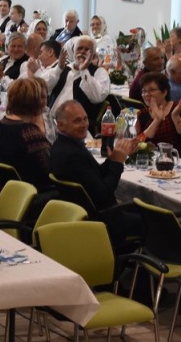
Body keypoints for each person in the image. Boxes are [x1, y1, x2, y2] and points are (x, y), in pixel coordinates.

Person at [50, 100, 140, 245]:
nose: (84, 124)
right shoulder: (72, 155)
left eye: (85, 119)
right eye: (77, 121)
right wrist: (118, 163)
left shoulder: (63, 145)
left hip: (87, 213)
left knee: (143, 208)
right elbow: (104, 193)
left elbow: (94, 176)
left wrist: (112, 159)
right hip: (102, 220)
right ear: (60, 125)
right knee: (154, 218)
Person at [0, 78, 52, 189]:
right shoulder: (30, 134)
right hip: (33, 192)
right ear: (34, 102)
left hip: (5, 191)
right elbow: (49, 170)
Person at [45, 36, 110, 127]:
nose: (82, 51)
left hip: (78, 125)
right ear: (74, 51)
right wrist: (58, 69)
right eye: (79, 48)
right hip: (51, 122)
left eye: (87, 49)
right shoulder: (63, 67)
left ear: (93, 54)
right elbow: (44, 88)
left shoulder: (99, 72)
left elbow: (97, 97)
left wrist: (83, 70)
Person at [137, 72, 181, 159]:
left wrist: (175, 117)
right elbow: (139, 144)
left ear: (164, 92)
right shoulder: (142, 114)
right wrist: (156, 121)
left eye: (151, 90)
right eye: (144, 91)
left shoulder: (178, 108)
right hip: (152, 160)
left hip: (179, 160)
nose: (146, 94)